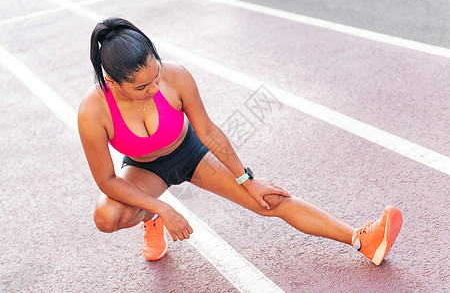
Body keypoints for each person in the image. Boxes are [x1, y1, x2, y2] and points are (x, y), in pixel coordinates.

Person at [78, 17, 403, 265]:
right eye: (141, 87)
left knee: (268, 200)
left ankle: (362, 239)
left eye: (156, 77)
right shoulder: (93, 112)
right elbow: (106, 180)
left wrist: (248, 178)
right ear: (112, 82)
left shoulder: (176, 76)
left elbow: (208, 131)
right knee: (106, 217)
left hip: (191, 152)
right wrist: (160, 208)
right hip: (145, 169)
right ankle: (149, 221)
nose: (153, 89)